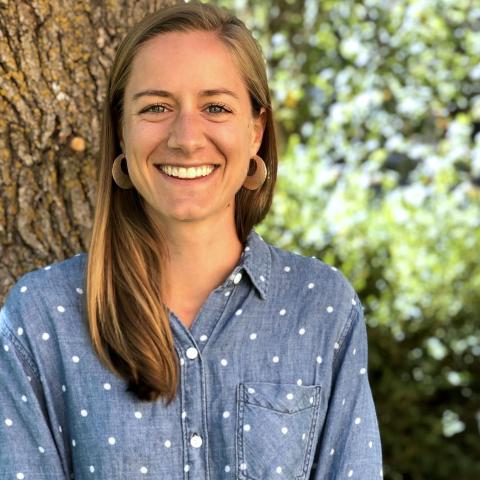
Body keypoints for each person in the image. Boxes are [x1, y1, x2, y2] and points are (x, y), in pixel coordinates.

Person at [0, 2, 382, 479]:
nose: (186, 137)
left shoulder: (321, 306)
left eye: (216, 107)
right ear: (121, 131)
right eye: (156, 107)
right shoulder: (40, 319)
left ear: (256, 131)